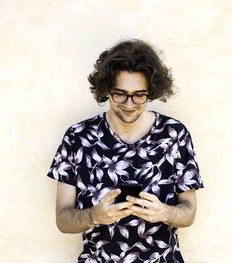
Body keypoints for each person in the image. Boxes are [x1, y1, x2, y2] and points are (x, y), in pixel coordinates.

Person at [47, 39, 204, 263]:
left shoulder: (175, 135)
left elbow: (189, 212)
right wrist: (94, 216)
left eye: (139, 94)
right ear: (105, 90)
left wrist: (165, 213)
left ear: (152, 92)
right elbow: (63, 219)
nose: (129, 104)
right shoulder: (77, 137)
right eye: (119, 93)